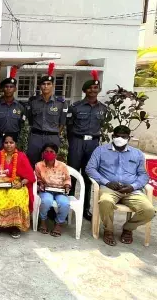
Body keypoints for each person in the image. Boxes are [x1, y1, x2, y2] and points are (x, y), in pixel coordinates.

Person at [86, 125, 155, 246]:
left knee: (149, 211)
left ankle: (128, 229)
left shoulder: (137, 154)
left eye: (123, 137)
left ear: (128, 138)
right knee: (105, 202)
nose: (120, 139)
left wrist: (133, 186)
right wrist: (107, 182)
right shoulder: (100, 150)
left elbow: (143, 175)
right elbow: (90, 168)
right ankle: (109, 230)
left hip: (131, 190)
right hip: (109, 188)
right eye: (117, 136)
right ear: (112, 137)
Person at [67, 71, 107, 221]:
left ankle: (85, 208)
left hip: (93, 143)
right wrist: (74, 141)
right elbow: (69, 126)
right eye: (89, 88)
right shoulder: (76, 107)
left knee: (89, 176)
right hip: (77, 141)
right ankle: (69, 203)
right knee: (72, 174)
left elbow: (101, 125)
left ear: (98, 90)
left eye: (95, 88)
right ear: (84, 91)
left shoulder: (102, 109)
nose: (93, 90)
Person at [0, 133, 35, 238]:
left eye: (11, 142)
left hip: (16, 183)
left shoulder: (21, 156)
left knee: (15, 197)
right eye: (6, 142)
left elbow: (29, 176)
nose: (8, 145)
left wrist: (21, 183)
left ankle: (14, 226)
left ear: (15, 143)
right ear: (3, 144)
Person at [26, 63, 67, 166]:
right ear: (40, 86)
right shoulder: (33, 101)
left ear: (53, 86)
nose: (46, 86)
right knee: (32, 163)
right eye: (43, 84)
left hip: (52, 137)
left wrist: (54, 133)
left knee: (50, 164)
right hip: (36, 136)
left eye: (48, 84)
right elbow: (30, 119)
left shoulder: (60, 103)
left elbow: (62, 122)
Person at [35, 143, 72, 237]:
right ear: (43, 153)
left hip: (60, 190)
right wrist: (40, 184)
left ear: (56, 154)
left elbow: (67, 179)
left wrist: (67, 186)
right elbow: (38, 179)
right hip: (46, 190)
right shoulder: (39, 165)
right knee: (46, 201)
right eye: (46, 151)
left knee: (65, 203)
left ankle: (58, 224)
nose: (49, 153)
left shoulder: (62, 165)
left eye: (51, 152)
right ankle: (43, 221)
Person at [0, 66, 26, 155]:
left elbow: (23, 125)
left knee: (14, 164)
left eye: (11, 86)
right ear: (3, 89)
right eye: (6, 86)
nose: (9, 89)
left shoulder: (21, 107)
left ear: (15, 89)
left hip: (14, 140)